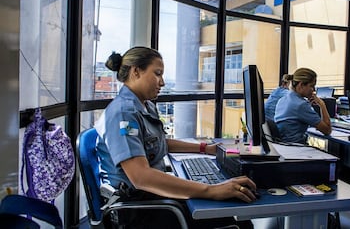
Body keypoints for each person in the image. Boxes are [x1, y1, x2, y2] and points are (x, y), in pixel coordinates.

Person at [94, 47, 255, 228]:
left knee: (234, 214)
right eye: (157, 74)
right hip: (139, 211)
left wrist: (205, 148)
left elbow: (160, 142)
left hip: (153, 199)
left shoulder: (145, 105)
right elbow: (141, 177)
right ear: (136, 71)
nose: (162, 82)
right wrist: (211, 190)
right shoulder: (123, 113)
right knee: (238, 223)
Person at [274, 67, 332, 143]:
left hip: (284, 146)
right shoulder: (301, 105)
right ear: (301, 85)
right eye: (311, 86)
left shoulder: (283, 99)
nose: (313, 90)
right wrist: (322, 104)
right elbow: (327, 130)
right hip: (295, 147)